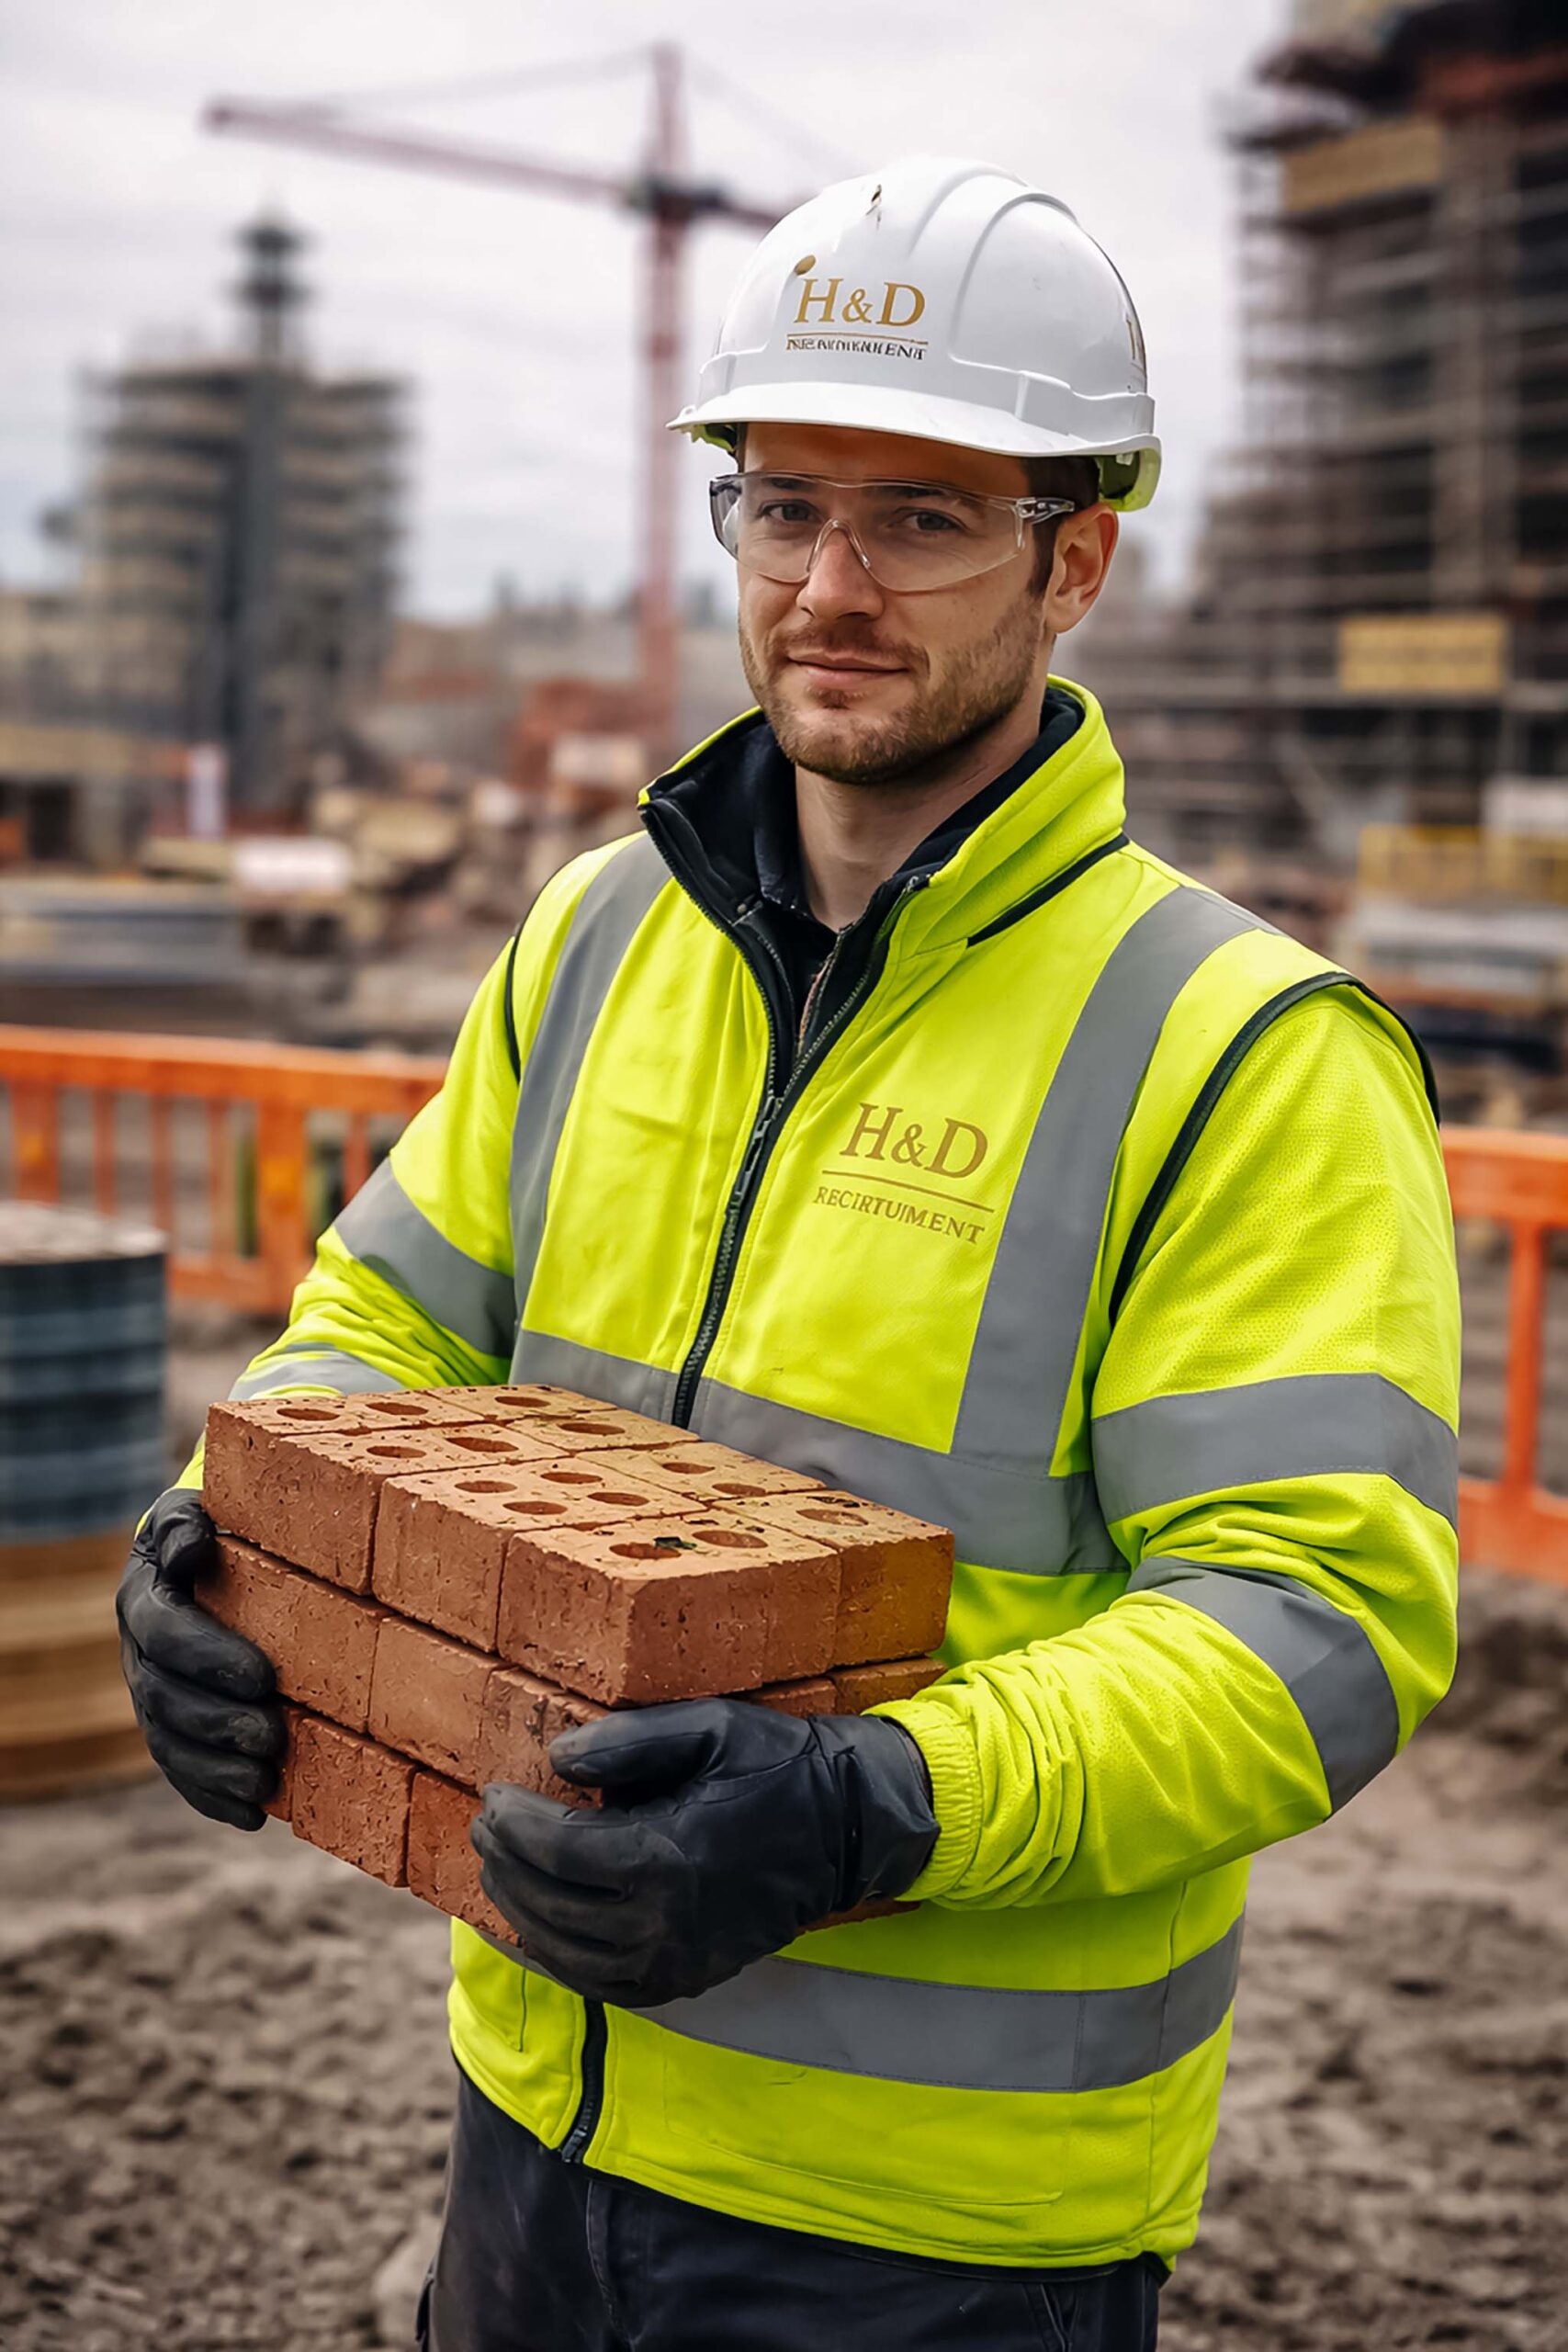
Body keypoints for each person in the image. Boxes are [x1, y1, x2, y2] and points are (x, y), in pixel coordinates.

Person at [118, 155, 1461, 2351]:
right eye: (780, 505)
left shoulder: (1240, 1052)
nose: (828, 582)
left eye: (921, 517)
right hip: (531, 2101)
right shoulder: (592, 934)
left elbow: (1308, 1620)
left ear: (1074, 559)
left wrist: (868, 1805)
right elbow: (377, 1323)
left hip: (931, 2232)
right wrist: (237, 1521)